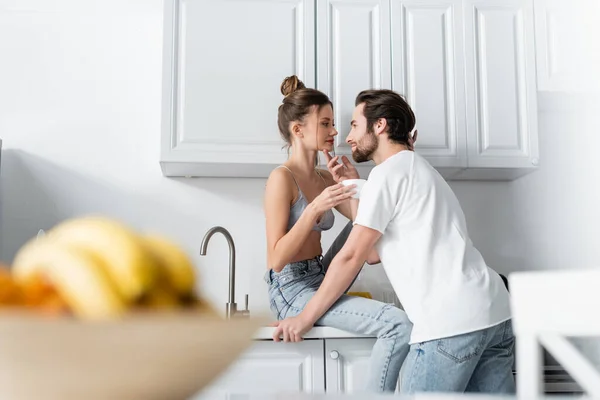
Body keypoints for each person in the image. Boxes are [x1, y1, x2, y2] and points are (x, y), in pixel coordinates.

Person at [272, 89, 515, 394]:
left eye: (354, 125)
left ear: (380, 125)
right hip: (495, 312)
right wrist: (354, 186)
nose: (347, 137)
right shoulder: (417, 167)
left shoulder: (387, 175)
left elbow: (353, 256)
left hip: (451, 321)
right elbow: (375, 253)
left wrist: (305, 318)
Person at [263, 76, 412, 393]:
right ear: (298, 130)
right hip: (291, 288)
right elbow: (276, 259)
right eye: (326, 123)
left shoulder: (323, 175)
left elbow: (369, 249)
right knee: (398, 324)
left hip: (320, 276)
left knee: (363, 227)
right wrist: (313, 208)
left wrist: (354, 185)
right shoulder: (281, 178)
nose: (334, 132)